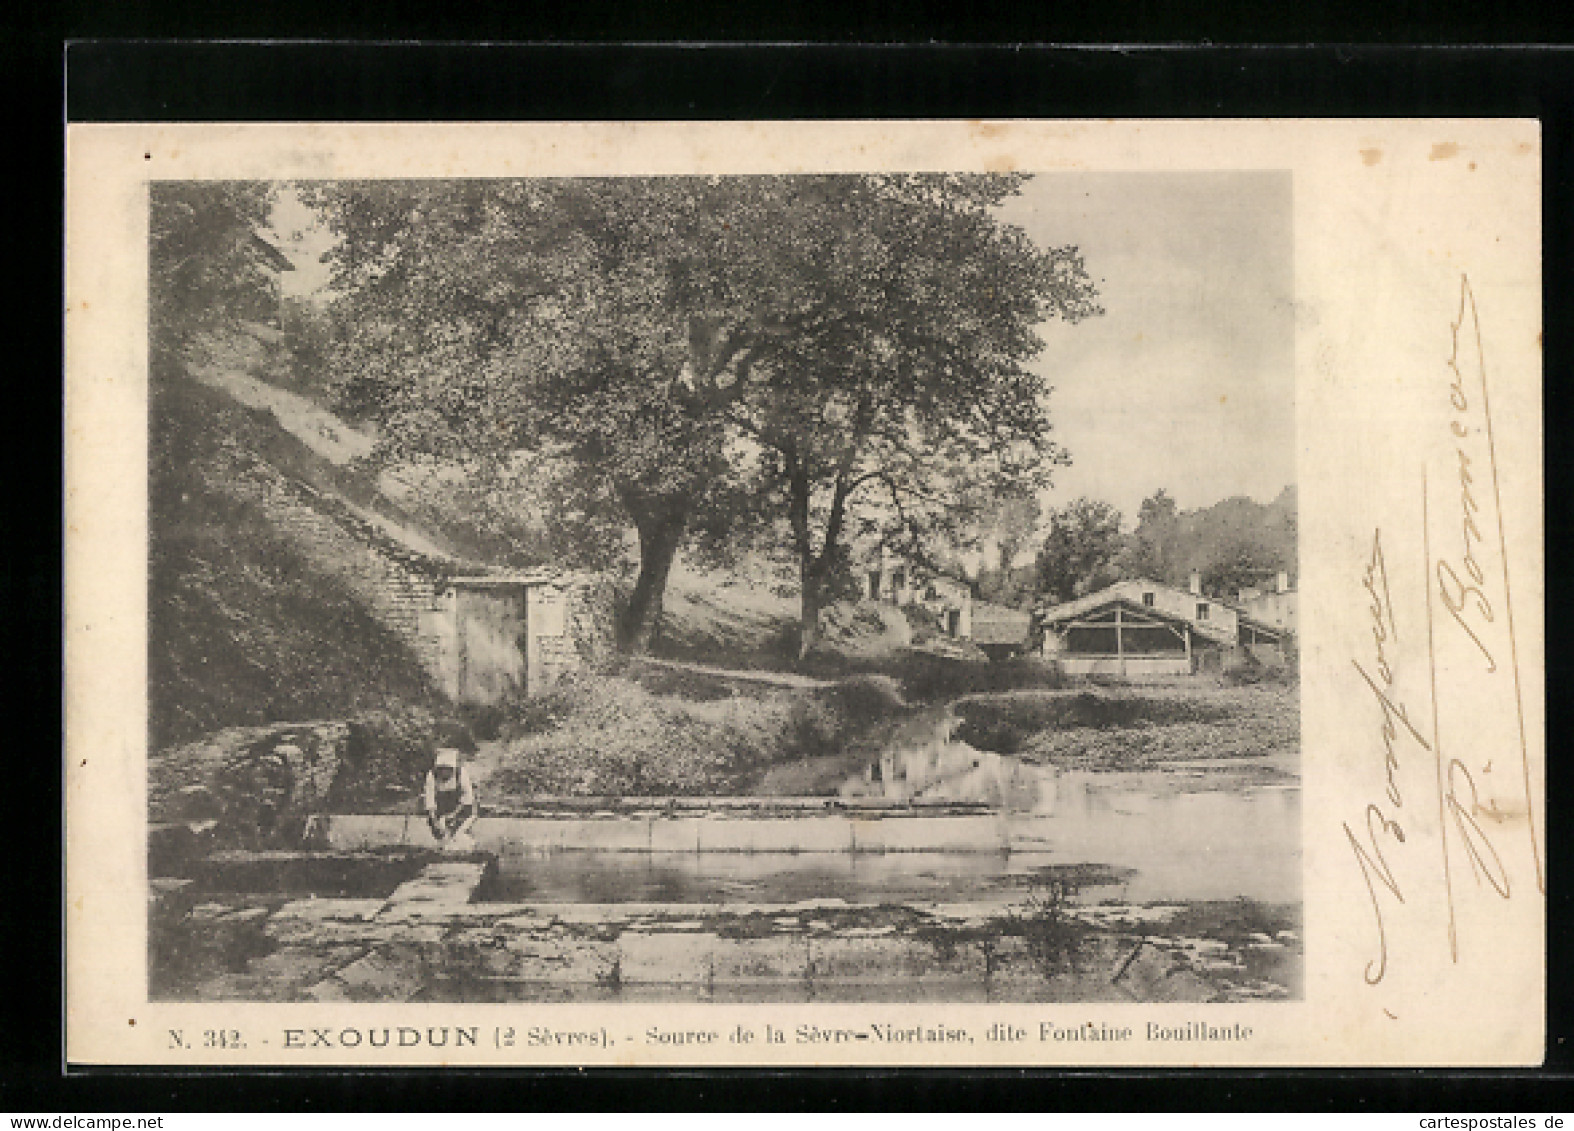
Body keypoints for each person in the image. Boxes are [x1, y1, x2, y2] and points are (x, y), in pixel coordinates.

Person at [422, 748, 478, 849]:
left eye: (447, 768)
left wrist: (453, 815)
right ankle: (444, 843)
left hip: (461, 808)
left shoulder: (461, 774)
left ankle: (463, 843)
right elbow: (430, 801)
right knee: (442, 834)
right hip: (442, 807)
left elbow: (467, 799)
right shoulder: (432, 776)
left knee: (460, 834)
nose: (444, 772)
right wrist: (435, 822)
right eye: (441, 768)